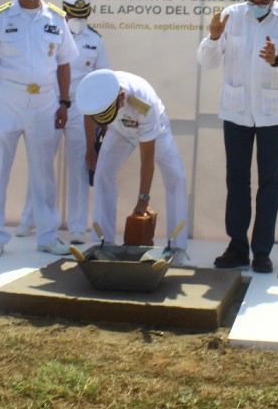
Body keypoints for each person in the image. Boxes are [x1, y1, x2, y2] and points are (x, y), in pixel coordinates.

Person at [197, 0, 278, 273]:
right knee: (236, 180)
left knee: (270, 183)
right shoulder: (231, 16)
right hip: (236, 112)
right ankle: (236, 246)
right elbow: (207, 62)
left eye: (262, 1)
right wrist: (214, 36)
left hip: (272, 114)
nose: (255, 5)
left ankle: (262, 251)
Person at [0, 0, 78, 258]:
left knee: (44, 170)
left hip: (45, 100)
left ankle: (47, 235)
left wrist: (64, 102)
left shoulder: (56, 18)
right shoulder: (0, 17)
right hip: (7, 98)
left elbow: (64, 63)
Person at [16, 0, 111, 243]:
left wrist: (102, 118)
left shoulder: (95, 41)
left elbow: (104, 78)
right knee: (41, 164)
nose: (76, 20)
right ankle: (30, 218)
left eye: (81, 15)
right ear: (64, 13)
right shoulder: (50, 35)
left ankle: (78, 226)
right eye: (72, 15)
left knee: (79, 166)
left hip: (81, 109)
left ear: (87, 15)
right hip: (51, 103)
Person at [76, 69, 192, 266]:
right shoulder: (97, 91)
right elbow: (90, 117)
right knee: (102, 174)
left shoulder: (143, 103)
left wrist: (143, 200)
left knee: (176, 178)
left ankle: (178, 249)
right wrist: (91, 149)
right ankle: (103, 244)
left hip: (155, 131)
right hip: (118, 131)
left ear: (121, 97)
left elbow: (147, 157)